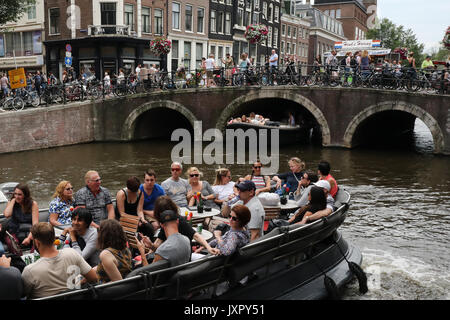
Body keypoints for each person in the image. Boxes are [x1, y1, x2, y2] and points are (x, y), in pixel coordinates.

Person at [21, 222, 98, 299]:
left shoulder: (30, 271)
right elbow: (94, 278)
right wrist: (77, 285)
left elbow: (23, 294)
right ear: (54, 238)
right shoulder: (71, 253)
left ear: (37, 243)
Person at [140, 196, 219, 258]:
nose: (166, 216)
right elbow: (158, 243)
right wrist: (149, 250)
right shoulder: (165, 225)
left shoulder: (180, 221)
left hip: (181, 254)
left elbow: (195, 235)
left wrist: (208, 248)